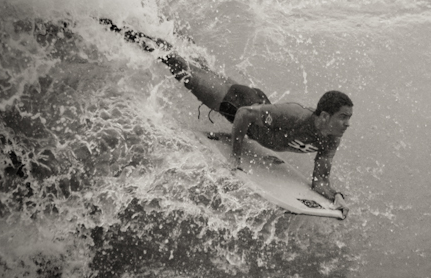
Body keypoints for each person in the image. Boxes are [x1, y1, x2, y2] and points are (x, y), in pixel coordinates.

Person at [101, 19, 352, 218]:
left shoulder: (330, 139)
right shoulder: (296, 114)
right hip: (235, 102)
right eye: (343, 117)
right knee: (178, 66)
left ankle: (179, 40)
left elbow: (319, 181)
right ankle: (118, 28)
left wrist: (335, 196)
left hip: (257, 103)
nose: (347, 124)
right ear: (324, 116)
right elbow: (243, 114)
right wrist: (236, 155)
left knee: (198, 69)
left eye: (348, 118)